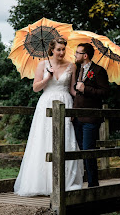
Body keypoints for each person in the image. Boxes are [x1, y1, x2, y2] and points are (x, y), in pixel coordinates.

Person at [14, 37, 84, 196]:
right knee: (43, 141)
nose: (61, 52)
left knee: (65, 140)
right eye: (58, 49)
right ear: (52, 49)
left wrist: (81, 92)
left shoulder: (72, 66)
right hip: (46, 104)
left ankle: (64, 180)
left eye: (63, 49)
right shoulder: (42, 65)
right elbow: (35, 88)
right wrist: (47, 78)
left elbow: (73, 91)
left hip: (65, 102)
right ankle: (42, 183)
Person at [73, 43, 110, 187]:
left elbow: (105, 93)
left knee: (89, 151)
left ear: (85, 55)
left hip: (91, 118)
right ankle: (84, 181)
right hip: (77, 117)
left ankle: (93, 184)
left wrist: (86, 88)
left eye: (78, 52)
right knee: (81, 151)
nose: (75, 55)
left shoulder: (99, 71)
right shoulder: (77, 70)